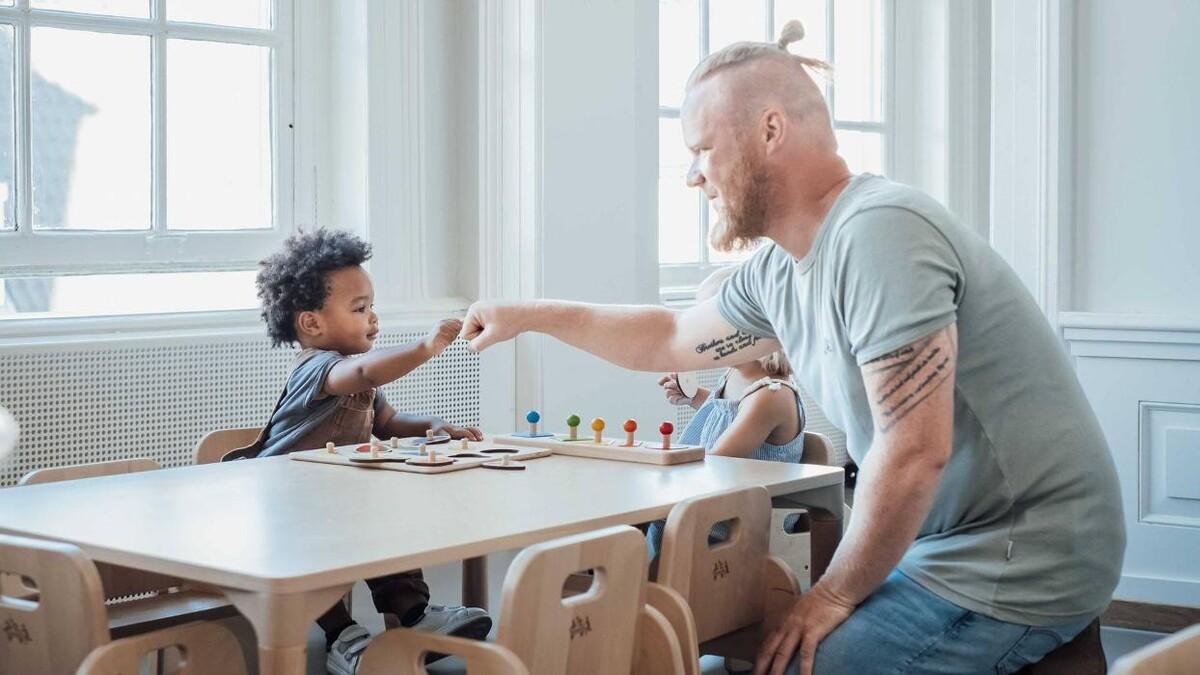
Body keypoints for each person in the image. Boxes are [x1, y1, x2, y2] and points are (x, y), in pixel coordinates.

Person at [458, 19, 1125, 675]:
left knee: (806, 661)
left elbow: (916, 449)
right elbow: (668, 336)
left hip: (1024, 553)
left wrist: (832, 592)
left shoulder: (879, 232)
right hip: (944, 546)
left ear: (769, 131)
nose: (694, 175)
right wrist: (529, 315)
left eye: (702, 149)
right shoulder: (780, 270)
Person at [229, 228, 491, 675]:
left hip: (338, 499)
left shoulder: (359, 381)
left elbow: (386, 422)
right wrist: (427, 348)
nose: (373, 318)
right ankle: (342, 636)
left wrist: (430, 424)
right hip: (288, 506)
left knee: (389, 531)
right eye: (360, 308)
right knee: (317, 561)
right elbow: (365, 371)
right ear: (312, 323)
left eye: (372, 307)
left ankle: (414, 616)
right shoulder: (317, 369)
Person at [648, 266, 806, 559]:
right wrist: (696, 397)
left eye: (709, 326)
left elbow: (717, 463)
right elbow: (728, 414)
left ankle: (650, 591)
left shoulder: (770, 397)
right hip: (722, 504)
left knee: (655, 516)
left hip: (740, 521)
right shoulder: (738, 378)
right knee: (650, 516)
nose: (700, 337)